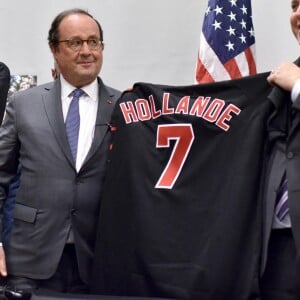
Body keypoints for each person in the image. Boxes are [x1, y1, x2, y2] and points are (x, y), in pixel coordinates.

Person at [0, 8, 121, 295]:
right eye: (75, 42)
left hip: (97, 261)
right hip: (28, 260)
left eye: (94, 42)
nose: (87, 51)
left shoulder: (122, 106)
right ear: (54, 49)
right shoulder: (23, 103)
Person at [260, 1, 300, 299]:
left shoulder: (292, 80)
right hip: (277, 247)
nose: (297, 14)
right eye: (295, 5)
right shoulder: (278, 83)